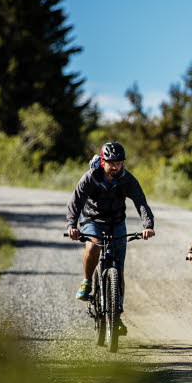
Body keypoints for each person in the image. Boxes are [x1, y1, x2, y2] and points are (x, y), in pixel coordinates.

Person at [66, 142, 155, 331]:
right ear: (103, 161)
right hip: (92, 219)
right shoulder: (91, 177)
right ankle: (87, 282)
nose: (116, 167)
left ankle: (116, 314)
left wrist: (148, 225)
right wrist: (72, 226)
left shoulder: (126, 179)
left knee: (118, 268)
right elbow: (76, 201)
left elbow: (140, 202)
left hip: (116, 222)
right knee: (94, 246)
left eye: (119, 163)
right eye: (112, 163)